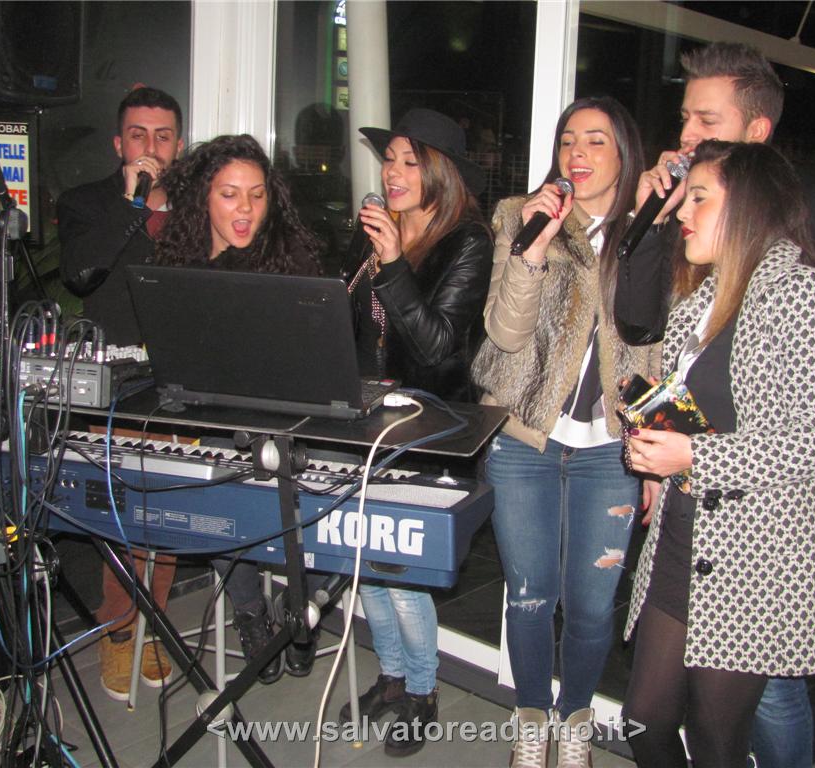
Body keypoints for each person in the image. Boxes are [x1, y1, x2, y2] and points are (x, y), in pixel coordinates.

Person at [613, 42, 815, 768]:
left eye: (707, 121)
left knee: (732, 724)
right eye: (685, 118)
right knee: (645, 722)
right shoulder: (700, 289)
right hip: (686, 529)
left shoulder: (804, 278)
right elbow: (649, 339)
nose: (687, 136)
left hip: (762, 543)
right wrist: (656, 438)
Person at [470, 95, 659, 768]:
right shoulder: (520, 216)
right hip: (524, 440)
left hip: (611, 451)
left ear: (625, 154)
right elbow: (503, 333)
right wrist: (534, 248)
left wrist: (657, 460)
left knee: (591, 605)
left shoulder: (652, 233)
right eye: (568, 140)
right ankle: (531, 719)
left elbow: (661, 353)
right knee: (528, 596)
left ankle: (574, 718)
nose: (577, 153)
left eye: (596, 140)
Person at [339, 108, 492, 758]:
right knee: (366, 565)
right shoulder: (378, 229)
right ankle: (392, 677)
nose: (393, 173)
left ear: (441, 172)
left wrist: (394, 263)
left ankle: (424, 691)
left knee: (399, 571)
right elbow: (354, 326)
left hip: (430, 430)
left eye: (410, 162)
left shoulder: (467, 242)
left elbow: (436, 349)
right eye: (389, 160)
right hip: (366, 422)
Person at [153, 133, 322, 683]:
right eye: (229, 194)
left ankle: (303, 604)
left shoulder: (291, 255)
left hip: (290, 418)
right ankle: (249, 611)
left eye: (256, 194)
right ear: (204, 198)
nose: (245, 208)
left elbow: (314, 354)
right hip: (217, 419)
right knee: (214, 489)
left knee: (329, 496)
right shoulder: (179, 263)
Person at [57, 85, 184, 701]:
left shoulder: (195, 206)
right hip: (116, 382)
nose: (150, 145)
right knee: (121, 511)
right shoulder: (86, 202)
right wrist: (133, 204)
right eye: (139, 134)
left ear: (179, 144)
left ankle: (154, 622)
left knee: (168, 508)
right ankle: (118, 628)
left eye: (163, 135)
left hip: (181, 380)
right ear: (118, 143)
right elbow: (81, 275)